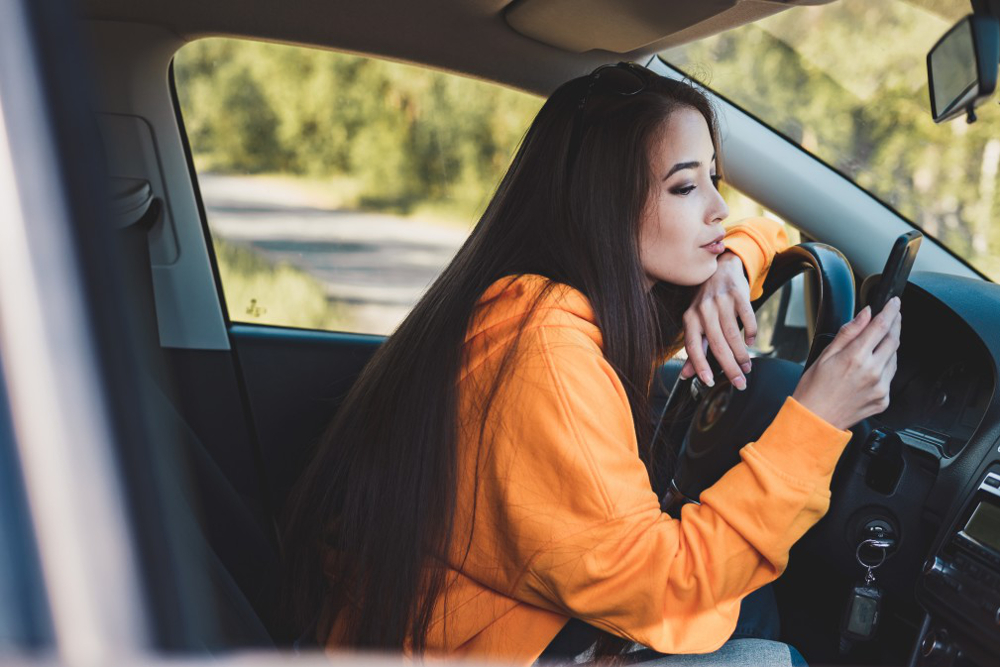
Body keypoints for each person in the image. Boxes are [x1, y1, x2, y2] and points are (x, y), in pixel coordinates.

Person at [280, 62, 902, 665]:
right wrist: (816, 420)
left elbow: (762, 232)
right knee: (775, 650)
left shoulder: (539, 303)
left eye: (715, 179)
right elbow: (669, 591)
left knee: (755, 604)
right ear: (605, 205)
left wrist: (732, 264)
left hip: (461, 625)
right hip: (476, 644)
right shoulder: (546, 348)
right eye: (685, 186)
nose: (718, 209)